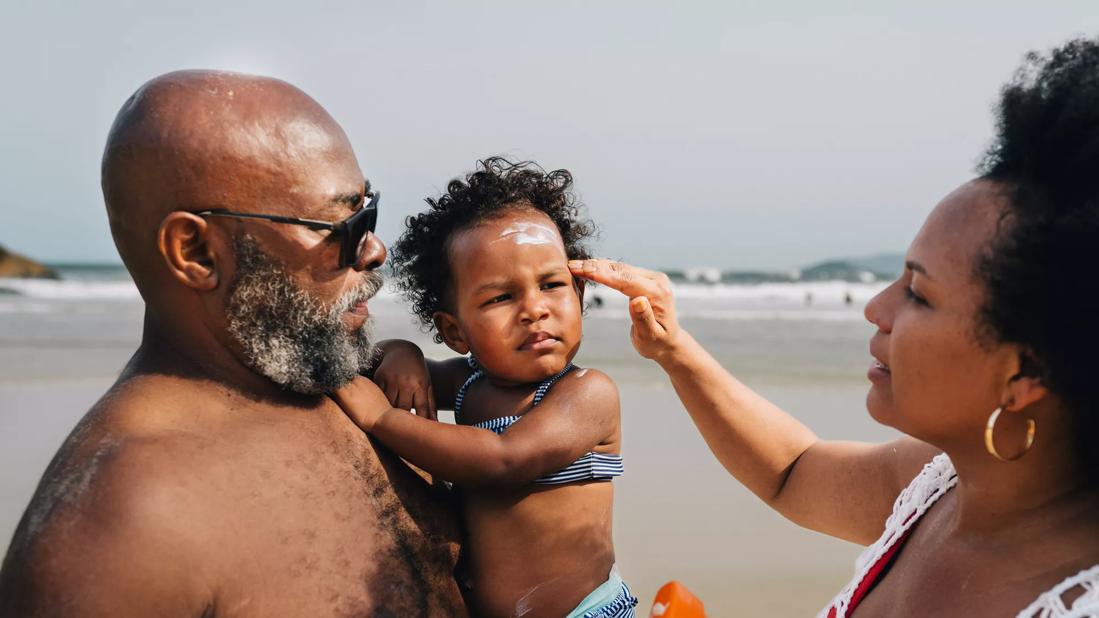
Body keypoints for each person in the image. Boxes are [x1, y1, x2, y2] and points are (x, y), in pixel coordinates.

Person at [569, 38, 1099, 617]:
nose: (876, 307)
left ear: (1027, 371)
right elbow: (792, 471)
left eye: (918, 293)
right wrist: (673, 348)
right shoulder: (936, 486)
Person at [0, 71, 467, 616]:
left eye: (371, 211)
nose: (375, 249)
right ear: (196, 252)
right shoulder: (120, 527)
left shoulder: (342, 381)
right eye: (345, 226)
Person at [332, 158, 637, 618]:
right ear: (455, 332)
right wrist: (403, 354)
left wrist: (382, 419)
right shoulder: (470, 380)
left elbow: (503, 459)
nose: (534, 309)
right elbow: (381, 365)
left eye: (552, 284)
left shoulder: (585, 394)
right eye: (501, 297)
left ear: (578, 294)